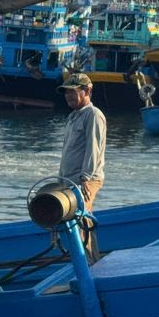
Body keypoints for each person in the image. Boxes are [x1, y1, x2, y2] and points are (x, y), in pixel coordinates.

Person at [57, 72, 106, 258]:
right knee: (77, 224)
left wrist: (86, 177)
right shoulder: (72, 117)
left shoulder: (93, 115)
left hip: (85, 180)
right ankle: (87, 264)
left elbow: (94, 148)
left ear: (87, 91)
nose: (68, 96)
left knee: (81, 223)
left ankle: (89, 266)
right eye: (66, 92)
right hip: (70, 180)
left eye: (73, 91)